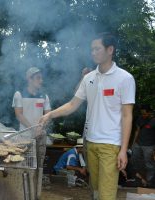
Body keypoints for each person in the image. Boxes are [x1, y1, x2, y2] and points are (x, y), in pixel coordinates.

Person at [40, 32, 136, 200]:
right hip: (90, 143)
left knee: (107, 195)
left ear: (110, 49)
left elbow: (127, 116)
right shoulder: (89, 78)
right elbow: (72, 104)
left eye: (97, 48)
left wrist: (123, 150)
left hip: (110, 145)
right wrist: (50, 115)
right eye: (91, 49)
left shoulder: (125, 78)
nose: (93, 52)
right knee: (95, 191)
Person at [12, 67, 51, 199]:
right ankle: (20, 193)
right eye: (38, 78)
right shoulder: (19, 94)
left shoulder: (44, 95)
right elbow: (19, 114)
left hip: (40, 136)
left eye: (41, 77)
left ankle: (36, 193)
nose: (41, 80)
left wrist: (41, 126)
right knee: (22, 164)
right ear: (29, 79)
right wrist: (32, 128)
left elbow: (48, 115)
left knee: (39, 166)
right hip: (24, 136)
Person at [130, 104, 155, 186]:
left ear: (149, 113)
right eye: (142, 113)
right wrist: (133, 144)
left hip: (149, 146)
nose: (143, 115)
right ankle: (138, 178)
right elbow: (137, 131)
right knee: (134, 159)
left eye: (145, 114)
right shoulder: (140, 119)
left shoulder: (153, 120)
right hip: (138, 144)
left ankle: (150, 181)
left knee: (149, 163)